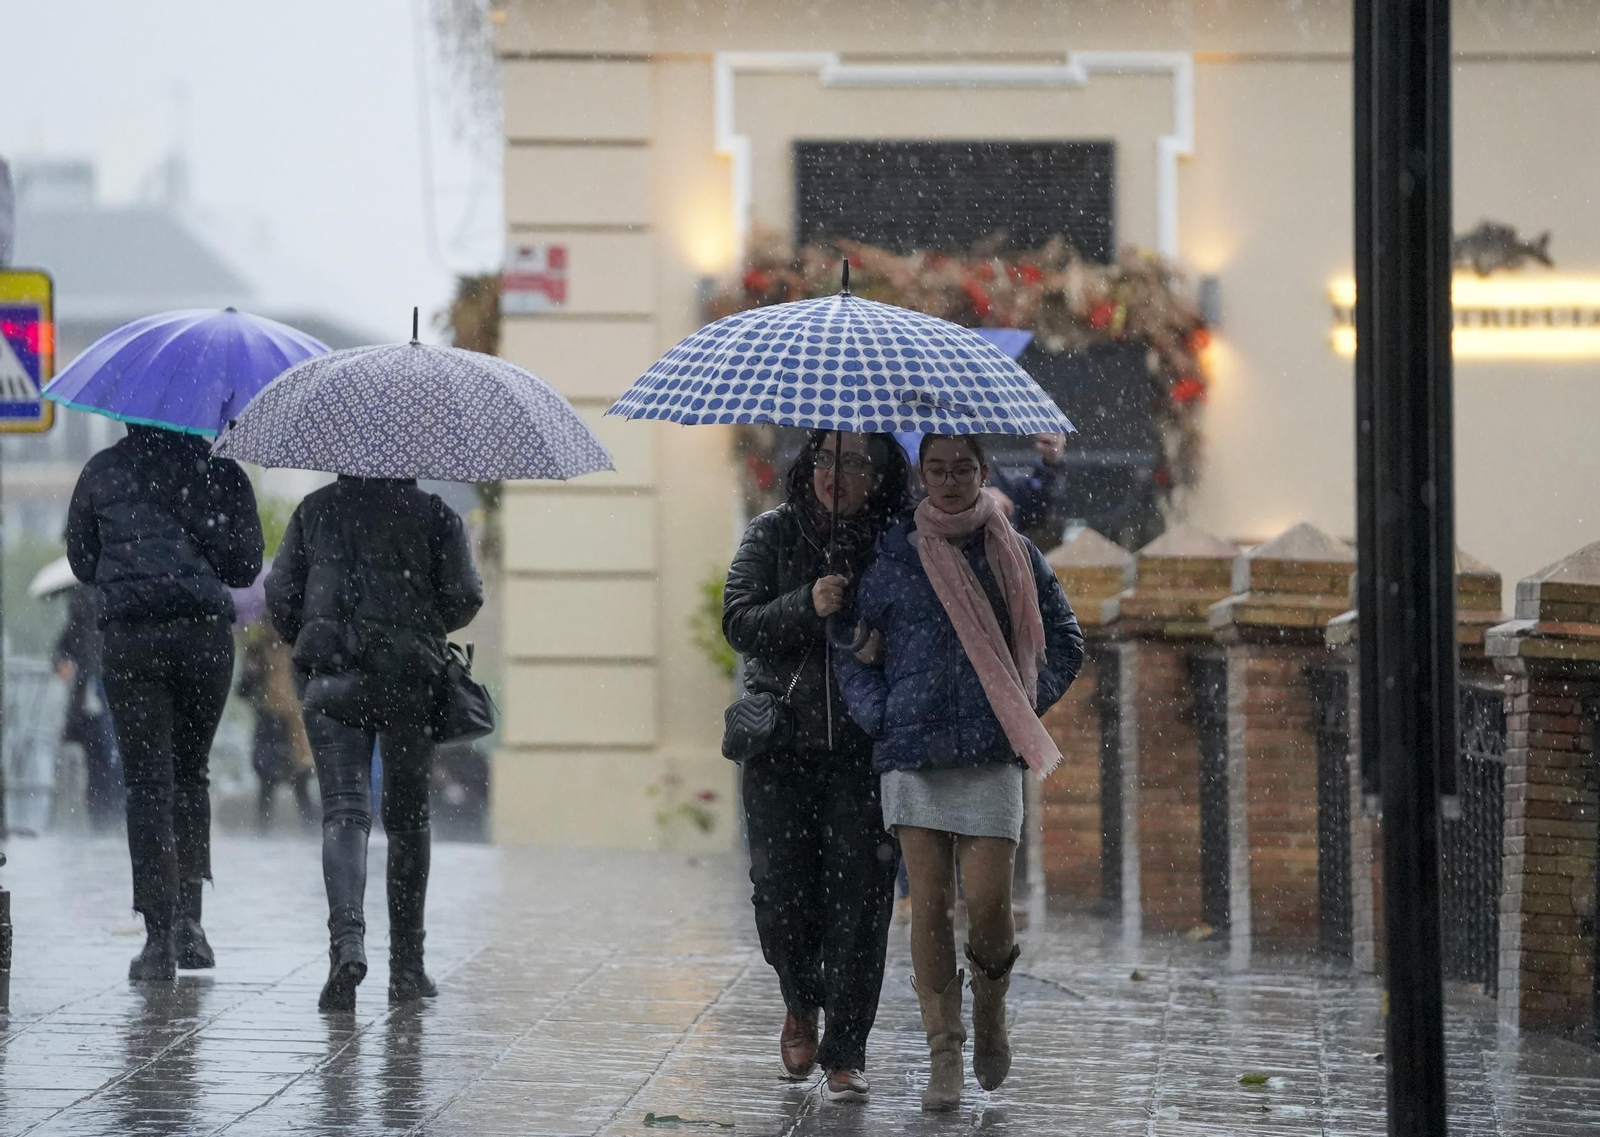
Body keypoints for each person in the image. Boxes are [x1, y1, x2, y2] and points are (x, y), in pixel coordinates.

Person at [837, 434, 1083, 1112]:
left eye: (963, 469)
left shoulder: (1013, 551)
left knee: (991, 903)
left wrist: (1019, 703)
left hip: (989, 753)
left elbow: (1066, 638)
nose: (949, 481)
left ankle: (990, 1011)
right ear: (922, 474)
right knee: (929, 903)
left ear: (983, 471)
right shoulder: (893, 555)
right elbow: (851, 650)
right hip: (911, 753)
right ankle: (943, 1053)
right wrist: (880, 713)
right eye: (938, 469)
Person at [722, 430, 910, 1104]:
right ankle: (800, 999)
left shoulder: (897, 544)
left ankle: (846, 1049)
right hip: (782, 748)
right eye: (826, 457)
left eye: (854, 461)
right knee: (779, 896)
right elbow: (738, 621)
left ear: (878, 475)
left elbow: (926, 630)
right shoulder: (773, 533)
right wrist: (809, 602)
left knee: (861, 903)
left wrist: (884, 644)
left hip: (863, 754)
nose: (836, 472)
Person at [266, 476, 482, 1012]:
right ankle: (407, 968)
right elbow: (465, 596)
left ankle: (347, 943)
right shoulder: (434, 514)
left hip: (332, 679)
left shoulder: (314, 510)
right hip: (411, 680)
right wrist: (418, 622)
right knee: (408, 820)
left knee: (344, 812)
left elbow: (281, 595)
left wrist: (315, 634)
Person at [66, 424, 264, 981]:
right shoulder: (222, 472)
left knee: (147, 784)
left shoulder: (102, 470)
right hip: (203, 638)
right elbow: (244, 567)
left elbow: (83, 563)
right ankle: (190, 926)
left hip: (131, 640)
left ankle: (158, 938)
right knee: (191, 775)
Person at [52, 583, 122, 830]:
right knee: (105, 761)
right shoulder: (97, 608)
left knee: (105, 762)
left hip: (97, 697)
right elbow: (62, 649)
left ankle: (106, 820)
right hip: (96, 698)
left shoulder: (86, 609)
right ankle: (107, 820)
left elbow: (63, 648)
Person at [237, 623, 316, 831]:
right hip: (269, 720)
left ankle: (311, 831)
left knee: (300, 781)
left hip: (295, 723)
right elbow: (243, 690)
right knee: (267, 780)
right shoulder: (257, 651)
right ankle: (263, 831)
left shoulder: (298, 649)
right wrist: (251, 672)